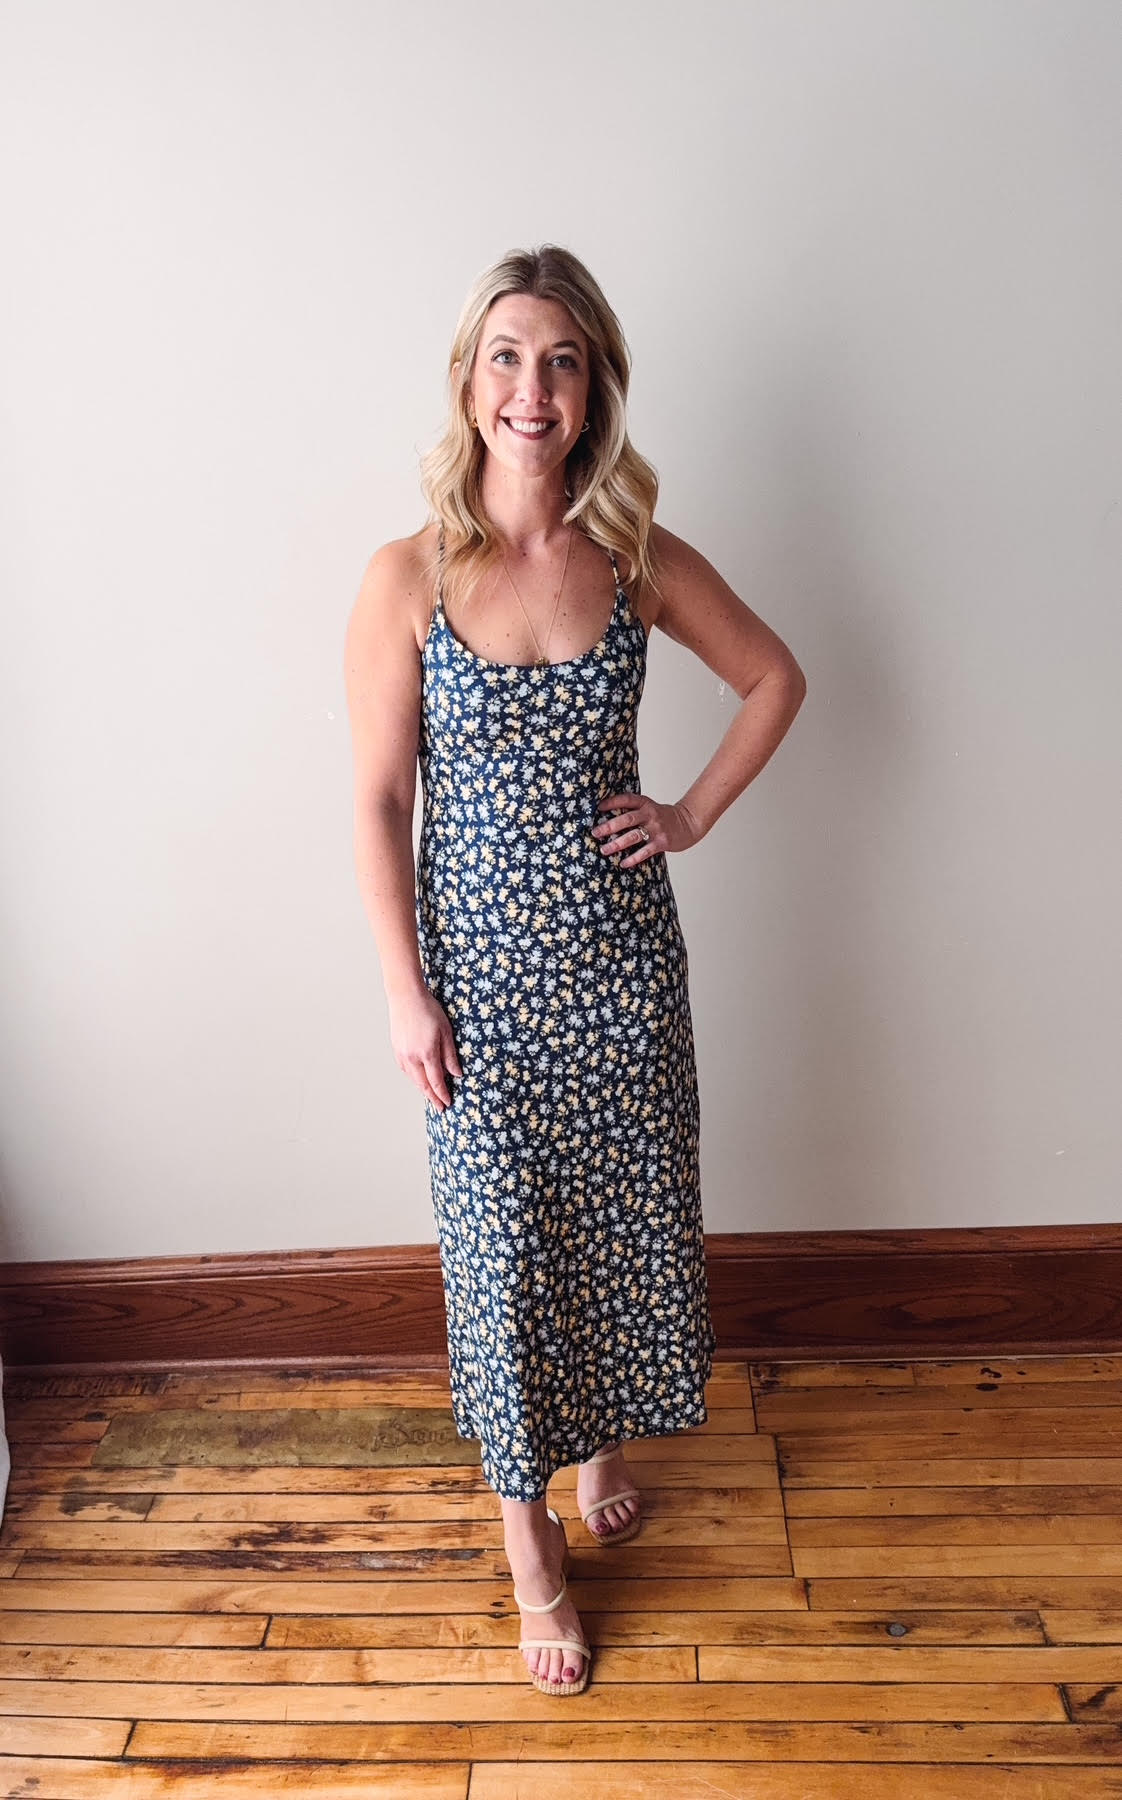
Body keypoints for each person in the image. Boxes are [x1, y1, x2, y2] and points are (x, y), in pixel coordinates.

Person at [343, 244, 807, 1698]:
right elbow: (372, 801)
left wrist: (685, 813)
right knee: (497, 1265)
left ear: (592, 382)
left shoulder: (634, 561)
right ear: (468, 380)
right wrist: (404, 992)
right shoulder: (407, 575)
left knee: (612, 1228)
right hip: (474, 989)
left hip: (617, 975)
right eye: (504, 355)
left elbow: (775, 676)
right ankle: (531, 1556)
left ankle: (597, 1445)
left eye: (557, 359)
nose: (528, 387)